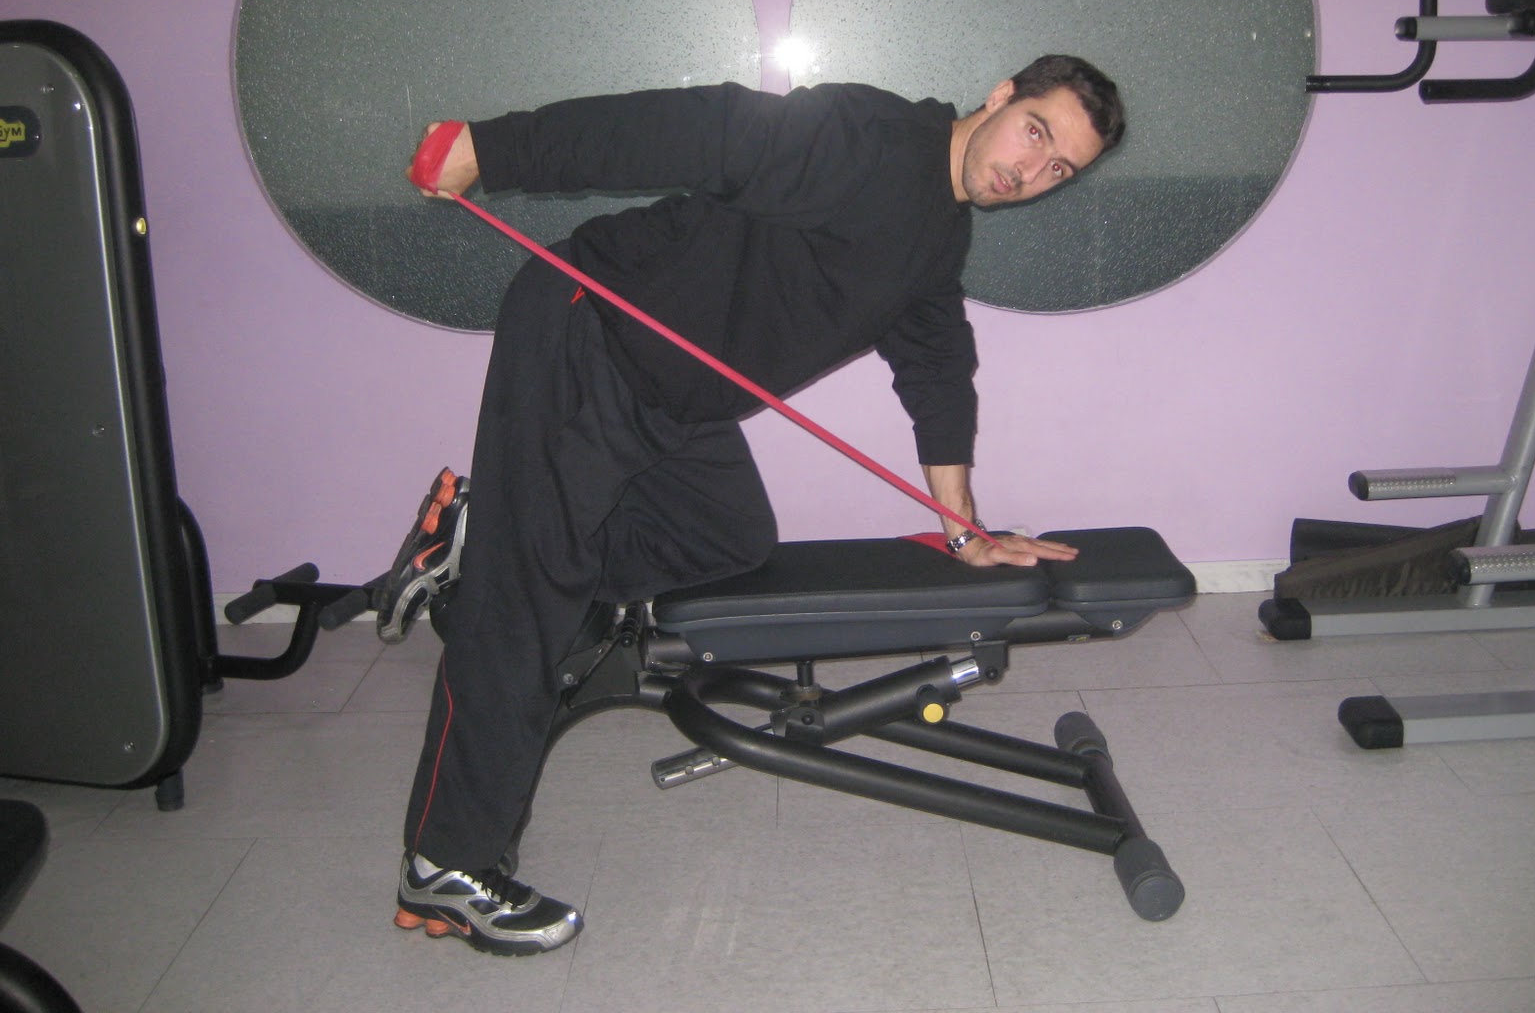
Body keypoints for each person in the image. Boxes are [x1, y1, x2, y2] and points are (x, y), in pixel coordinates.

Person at [384, 55, 1125, 956]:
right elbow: (693, 128)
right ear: (1002, 96)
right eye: (1036, 133)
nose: (1031, 171)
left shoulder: (937, 233)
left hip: (674, 400)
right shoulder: (867, 139)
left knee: (724, 535)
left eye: (1059, 169)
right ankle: (445, 866)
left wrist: (965, 531)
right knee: (527, 606)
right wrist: (491, 149)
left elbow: (936, 364)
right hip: (595, 330)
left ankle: (482, 540)